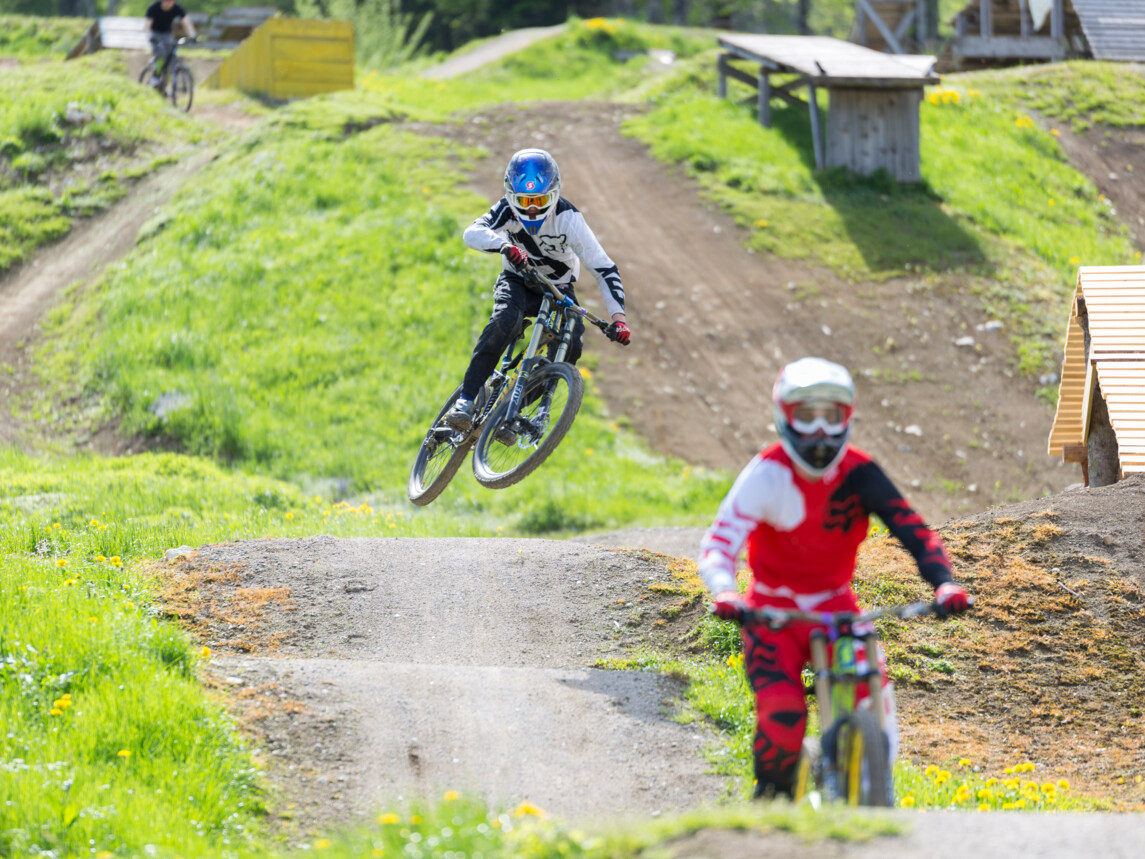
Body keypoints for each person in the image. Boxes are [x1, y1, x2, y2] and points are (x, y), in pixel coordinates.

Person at [699, 357, 971, 799]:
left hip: (837, 610)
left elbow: (914, 531)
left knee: (874, 692)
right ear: (785, 416)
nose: (821, 431)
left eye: (833, 415)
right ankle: (771, 801)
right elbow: (719, 542)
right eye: (807, 416)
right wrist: (725, 589)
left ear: (849, 416)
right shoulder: (767, 473)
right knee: (782, 716)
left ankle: (874, 785)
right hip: (772, 617)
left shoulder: (861, 472)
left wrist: (944, 582)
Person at [444, 148, 631, 430]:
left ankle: (512, 412)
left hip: (558, 289)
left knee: (572, 345)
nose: (532, 208)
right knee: (503, 321)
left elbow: (604, 268)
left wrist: (619, 318)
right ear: (510, 196)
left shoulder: (570, 219)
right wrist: (503, 245)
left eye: (540, 200)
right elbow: (471, 233)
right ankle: (466, 400)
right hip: (517, 280)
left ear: (554, 194)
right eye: (524, 201)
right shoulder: (506, 210)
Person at [145, 0, 197, 87]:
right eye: (167, 1)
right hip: (155, 34)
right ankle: (155, 77)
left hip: (167, 34)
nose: (169, 3)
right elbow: (147, 26)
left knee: (172, 57)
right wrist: (151, 38)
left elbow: (186, 23)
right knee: (161, 54)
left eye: (171, 1)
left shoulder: (177, 8)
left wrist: (193, 36)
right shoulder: (154, 8)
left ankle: (165, 84)